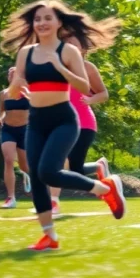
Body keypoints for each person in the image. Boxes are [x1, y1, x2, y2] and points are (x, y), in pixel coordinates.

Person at [2, 0, 126, 251]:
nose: (42, 23)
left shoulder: (67, 52)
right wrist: (16, 85)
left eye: (48, 18)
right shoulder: (26, 53)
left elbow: (82, 85)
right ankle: (49, 236)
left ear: (59, 22)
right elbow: (14, 93)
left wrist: (61, 68)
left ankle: (103, 188)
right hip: (36, 121)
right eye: (37, 19)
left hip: (64, 120)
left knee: (48, 171)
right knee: (36, 177)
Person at [47, 31, 112, 213]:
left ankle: (98, 166)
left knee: (74, 169)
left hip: (84, 123)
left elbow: (103, 93)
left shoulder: (88, 68)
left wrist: (90, 99)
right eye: (64, 42)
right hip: (60, 122)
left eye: (72, 42)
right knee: (56, 164)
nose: (67, 45)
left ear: (82, 48)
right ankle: (53, 202)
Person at [0, 66, 32, 208]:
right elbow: (2, 112)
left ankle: (33, 185)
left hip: (25, 130)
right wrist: (0, 119)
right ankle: (11, 198)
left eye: (14, 73)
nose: (11, 75)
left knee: (25, 166)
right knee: (9, 160)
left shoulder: (28, 91)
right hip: (8, 130)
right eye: (9, 73)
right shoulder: (4, 93)